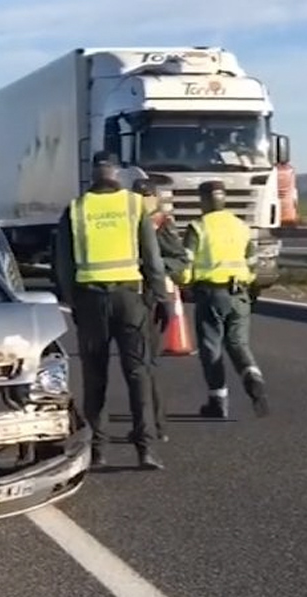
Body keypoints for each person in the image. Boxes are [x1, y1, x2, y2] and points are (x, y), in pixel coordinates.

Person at [53, 151, 171, 470]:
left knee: (95, 378)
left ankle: (97, 450)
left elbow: (63, 267)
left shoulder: (76, 210)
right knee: (138, 374)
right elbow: (152, 258)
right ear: (117, 174)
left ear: (92, 174)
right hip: (130, 300)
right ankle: (145, 449)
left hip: (91, 302)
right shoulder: (134, 206)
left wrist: (73, 302)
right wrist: (161, 298)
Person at [181, 180, 270, 419]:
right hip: (239, 293)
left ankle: (218, 401)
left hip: (211, 294)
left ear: (203, 200)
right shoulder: (241, 226)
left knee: (211, 348)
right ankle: (253, 376)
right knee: (238, 344)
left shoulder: (198, 227)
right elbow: (252, 263)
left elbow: (185, 265)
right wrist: (247, 281)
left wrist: (185, 282)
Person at [132, 178, 189, 442]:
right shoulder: (127, 221)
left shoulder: (163, 223)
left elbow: (179, 259)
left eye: (147, 195)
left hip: (154, 296)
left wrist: (153, 265)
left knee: (147, 364)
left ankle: (155, 426)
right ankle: (145, 425)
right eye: (139, 195)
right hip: (129, 296)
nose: (144, 200)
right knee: (138, 364)